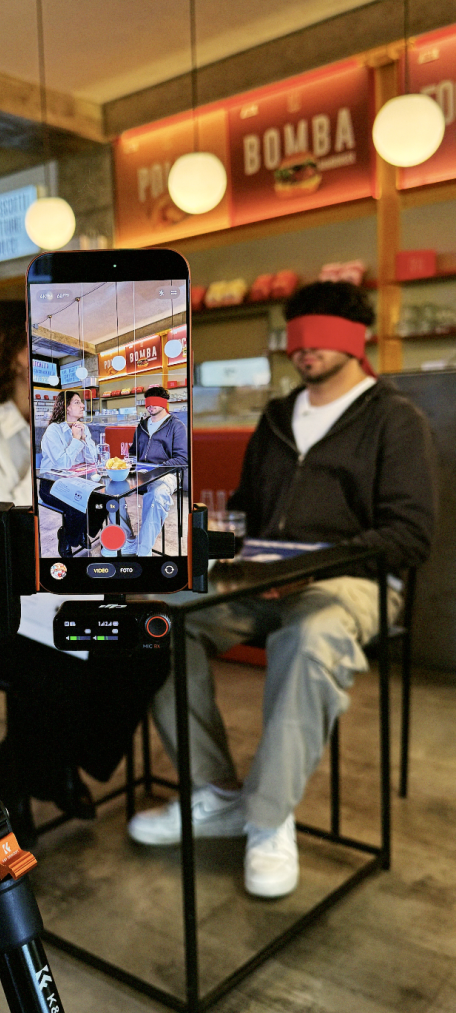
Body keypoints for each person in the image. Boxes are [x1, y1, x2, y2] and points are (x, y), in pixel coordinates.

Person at [127, 281, 436, 898]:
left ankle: (267, 818)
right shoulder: (274, 419)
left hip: (354, 585)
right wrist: (226, 553)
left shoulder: (395, 420)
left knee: (312, 633)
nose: (305, 350)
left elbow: (408, 534)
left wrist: (309, 570)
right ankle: (215, 794)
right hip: (260, 583)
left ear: (357, 339)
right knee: (158, 623)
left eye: (321, 336)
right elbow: (244, 511)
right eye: (296, 338)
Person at [0, 300, 169, 846]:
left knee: (148, 647)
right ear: (17, 355)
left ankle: (46, 760)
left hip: (59, 589)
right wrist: (52, 452)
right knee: (60, 659)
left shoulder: (70, 425)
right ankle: (25, 769)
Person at [117, 385, 188, 557]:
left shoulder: (176, 426)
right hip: (140, 474)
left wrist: (156, 469)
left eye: (154, 401)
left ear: (164, 402)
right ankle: (128, 541)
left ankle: (143, 550)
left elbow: (183, 458)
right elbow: (133, 451)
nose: (150, 406)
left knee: (157, 496)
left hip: (166, 474)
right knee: (111, 492)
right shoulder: (141, 425)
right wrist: (129, 463)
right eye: (147, 403)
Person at [39, 390, 107, 557]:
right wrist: (75, 440)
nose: (83, 405)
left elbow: (92, 460)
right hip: (51, 485)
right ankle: (68, 537)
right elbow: (62, 464)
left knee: (104, 498)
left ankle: (81, 531)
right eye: (77, 402)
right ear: (66, 408)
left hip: (77, 481)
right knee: (78, 503)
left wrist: (83, 438)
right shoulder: (53, 431)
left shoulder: (84, 428)